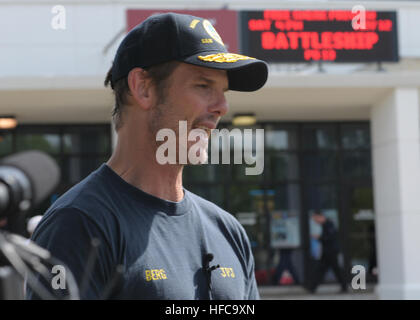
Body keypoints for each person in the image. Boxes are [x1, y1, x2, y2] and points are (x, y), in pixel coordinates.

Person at [26, 12, 268, 300]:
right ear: (143, 87)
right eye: (203, 86)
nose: (222, 107)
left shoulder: (228, 230)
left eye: (223, 91)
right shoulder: (78, 224)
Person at [307, 211, 347, 293]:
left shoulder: (329, 225)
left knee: (333, 270)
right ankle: (312, 287)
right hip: (327, 252)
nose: (316, 221)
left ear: (320, 217)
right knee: (322, 270)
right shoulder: (326, 225)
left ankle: (344, 286)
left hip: (331, 252)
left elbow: (329, 238)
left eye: (316, 219)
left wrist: (319, 238)